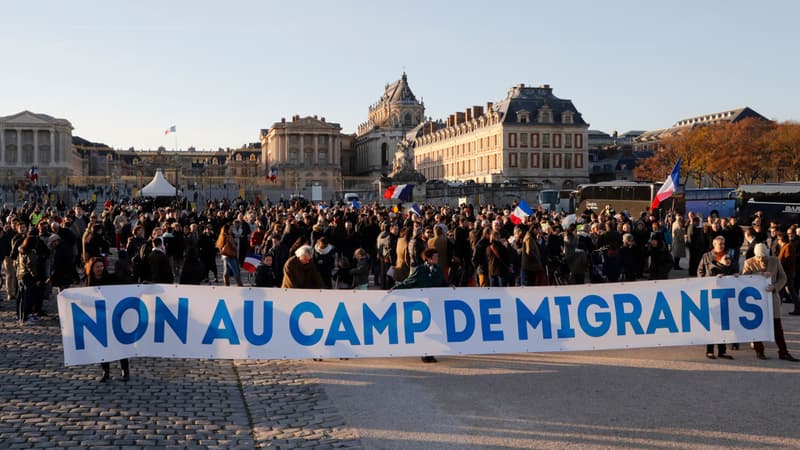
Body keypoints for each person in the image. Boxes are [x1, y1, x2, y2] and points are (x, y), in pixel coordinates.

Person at [741, 243, 799, 362]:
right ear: (755, 256)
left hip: (772, 298)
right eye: (759, 257)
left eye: (764, 257)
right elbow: (744, 280)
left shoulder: (775, 261)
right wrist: (760, 275)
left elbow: (783, 278)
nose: (762, 260)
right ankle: (759, 350)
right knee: (757, 325)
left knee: (777, 326)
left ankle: (783, 352)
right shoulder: (749, 263)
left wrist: (775, 287)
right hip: (755, 301)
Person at [391, 248, 447, 363]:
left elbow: (443, 283)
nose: (438, 258)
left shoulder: (438, 269)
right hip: (423, 304)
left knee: (434, 328)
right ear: (429, 258)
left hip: (435, 303)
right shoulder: (420, 270)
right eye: (435, 257)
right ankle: (426, 353)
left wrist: (451, 285)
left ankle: (430, 352)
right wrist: (395, 289)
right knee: (426, 329)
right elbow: (409, 282)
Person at [86, 256, 130, 382]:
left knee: (120, 343)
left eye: (101, 266)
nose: (100, 269)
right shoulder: (89, 281)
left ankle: (125, 371)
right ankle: (106, 372)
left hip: (113, 315)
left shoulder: (111, 278)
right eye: (97, 267)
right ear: (92, 268)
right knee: (103, 346)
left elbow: (124, 286)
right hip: (99, 318)